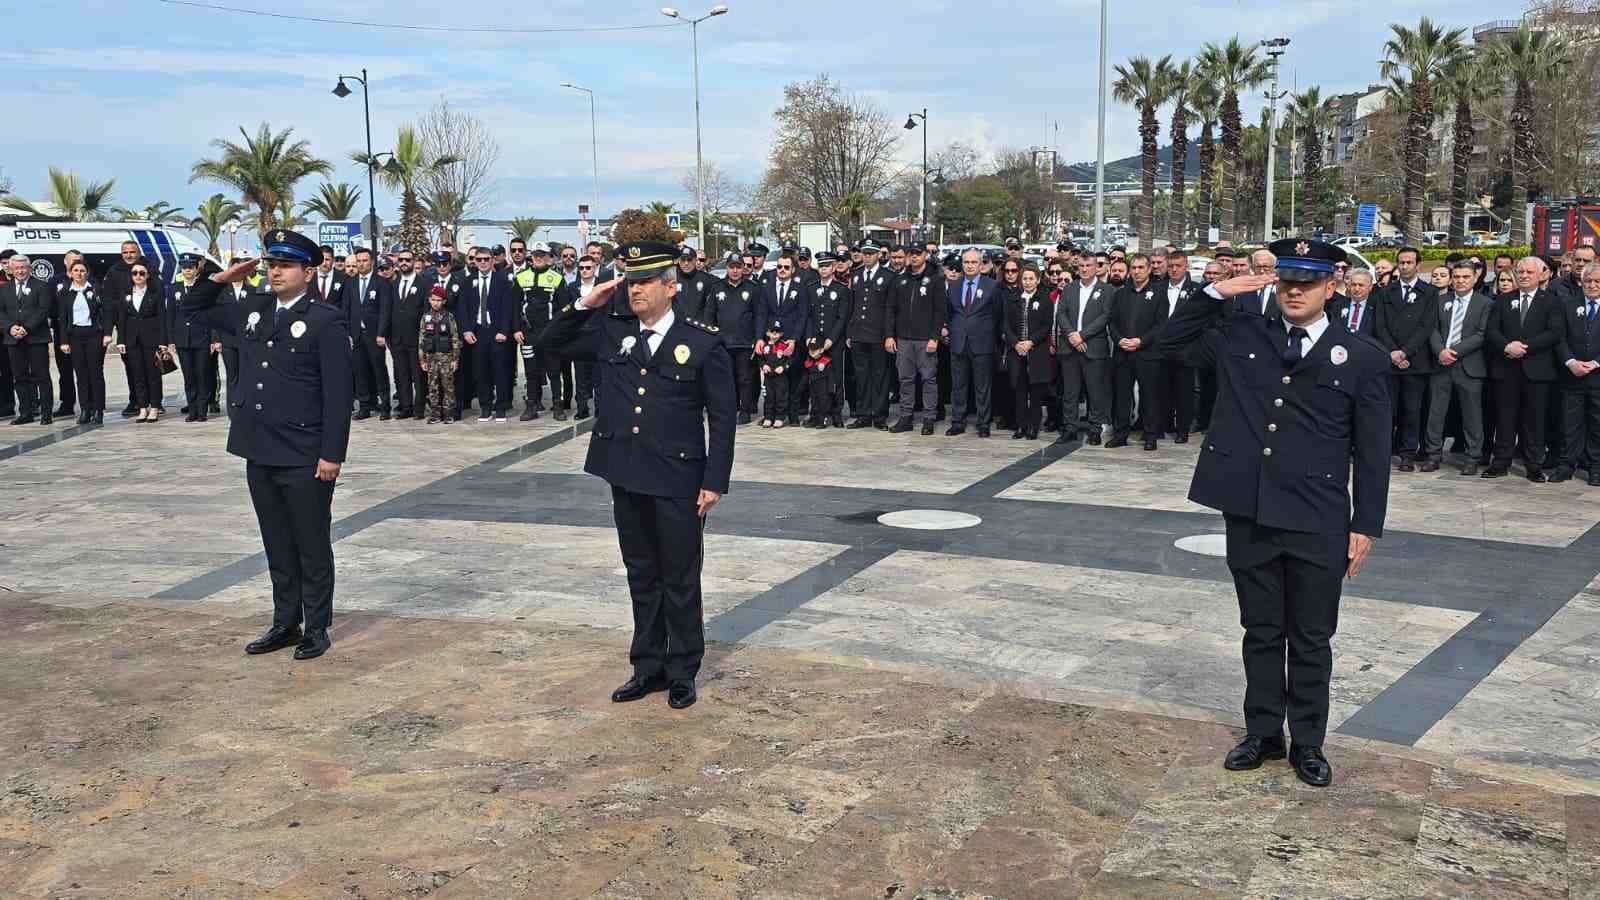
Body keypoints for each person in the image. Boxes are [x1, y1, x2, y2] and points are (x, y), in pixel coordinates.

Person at [1161, 238, 1391, 788]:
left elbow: (1374, 451)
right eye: (1286, 279)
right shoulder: (1243, 336)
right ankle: (1263, 732)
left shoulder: (1361, 357)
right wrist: (1214, 291)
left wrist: (1365, 526)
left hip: (1318, 516)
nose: (1294, 291)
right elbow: (1167, 343)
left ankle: (1308, 742)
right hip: (1253, 510)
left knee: (1310, 636)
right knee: (1261, 629)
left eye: (1307, 282)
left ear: (1331, 288)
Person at [537, 240, 735, 710]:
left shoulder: (701, 341)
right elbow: (549, 344)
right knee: (641, 573)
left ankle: (683, 668)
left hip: (677, 478)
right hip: (625, 472)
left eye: (644, 282)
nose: (634, 290)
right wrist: (587, 301)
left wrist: (714, 481)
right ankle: (648, 665)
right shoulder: (613, 331)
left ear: (671, 286)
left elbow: (723, 418)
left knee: (680, 577)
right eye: (630, 281)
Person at [181, 231, 353, 661]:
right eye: (271, 264)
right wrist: (221, 278)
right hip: (259, 448)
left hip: (304, 451)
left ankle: (317, 626)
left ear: (308, 273)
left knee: (310, 542)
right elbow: (191, 307)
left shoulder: (325, 320)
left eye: (286, 265)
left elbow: (337, 395)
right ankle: (285, 622)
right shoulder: (254, 309)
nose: (275, 271)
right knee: (276, 540)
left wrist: (332, 454)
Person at [1484, 256, 1562, 481]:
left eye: (1530, 272)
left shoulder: (1551, 301)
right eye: (1522, 272)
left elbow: (1554, 332)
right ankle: (1500, 462)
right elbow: (1492, 331)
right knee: (1505, 418)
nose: (1525, 276)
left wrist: (1524, 347)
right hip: (1506, 368)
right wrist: (1507, 346)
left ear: (1541, 274)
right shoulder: (1502, 300)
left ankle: (1533, 465)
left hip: (1537, 370)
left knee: (1534, 421)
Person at [1420, 262, 1492, 475]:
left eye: (1465, 277)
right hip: (1441, 364)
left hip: (1468, 365)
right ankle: (1432, 454)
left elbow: (1481, 334)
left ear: (1475, 278)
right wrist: (1441, 350)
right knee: (1435, 412)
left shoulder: (1485, 303)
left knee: (1472, 414)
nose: (1461, 280)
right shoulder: (1440, 301)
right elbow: (1431, 328)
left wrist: (1455, 352)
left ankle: (1472, 457)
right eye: (1457, 276)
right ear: (1451, 279)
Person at [1377, 247, 1440, 471]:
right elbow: (1380, 325)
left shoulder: (1429, 292)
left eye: (1409, 262)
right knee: (1388, 410)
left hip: (1416, 360)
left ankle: (1407, 454)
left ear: (1418, 266)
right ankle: (1383, 450)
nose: (1404, 266)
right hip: (1390, 360)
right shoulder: (1386, 292)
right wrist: (1393, 352)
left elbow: (1426, 326)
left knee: (1412, 411)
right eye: (1401, 262)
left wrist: (1405, 352)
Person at [886, 245, 947, 435]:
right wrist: (889, 335)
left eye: (918, 254)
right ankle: (906, 417)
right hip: (904, 338)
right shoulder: (900, 279)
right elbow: (891, 309)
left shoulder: (935, 279)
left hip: (925, 339)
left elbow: (940, 311)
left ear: (925, 255)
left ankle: (929, 417)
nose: (914, 257)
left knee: (928, 379)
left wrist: (934, 337)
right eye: (911, 254)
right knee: (905, 379)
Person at [1053, 250, 1112, 444]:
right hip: (1069, 347)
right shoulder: (1069, 288)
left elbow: (1105, 317)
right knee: (1070, 391)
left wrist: (1082, 335)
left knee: (1095, 391)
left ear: (1096, 267)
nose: (1085, 269)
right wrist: (1072, 335)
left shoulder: (1107, 290)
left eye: (1089, 266)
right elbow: (1060, 313)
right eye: (1082, 266)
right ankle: (1070, 428)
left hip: (1093, 347)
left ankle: (1095, 428)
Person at [945, 248, 999, 437]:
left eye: (973, 262)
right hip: (959, 342)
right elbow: (950, 313)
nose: (969, 266)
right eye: (966, 262)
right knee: (958, 385)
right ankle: (957, 422)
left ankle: (983, 423)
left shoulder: (992, 286)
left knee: (982, 386)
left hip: (982, 343)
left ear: (980, 264)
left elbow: (997, 315)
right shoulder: (953, 285)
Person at [463, 246, 517, 422]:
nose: (483, 262)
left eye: (487, 259)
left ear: (492, 260)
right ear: (475, 262)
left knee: (500, 370)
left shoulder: (502, 280)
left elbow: (508, 308)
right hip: (477, 331)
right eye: (479, 260)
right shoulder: (468, 281)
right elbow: (463, 308)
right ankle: (485, 407)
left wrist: (503, 331)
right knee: (481, 371)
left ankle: (500, 407)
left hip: (497, 332)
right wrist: (466, 329)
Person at [1107, 253, 1156, 448]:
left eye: (1141, 268)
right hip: (1123, 352)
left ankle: (1150, 436)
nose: (1136, 271)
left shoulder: (1158, 293)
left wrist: (1140, 341)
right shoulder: (1120, 294)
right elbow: (1112, 322)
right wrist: (1119, 340)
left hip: (1147, 353)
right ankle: (1120, 435)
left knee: (1149, 396)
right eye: (1134, 268)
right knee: (1122, 396)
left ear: (1149, 269)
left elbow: (1161, 325)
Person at [2, 254, 57, 425]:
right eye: (16, 268)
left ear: (29, 269)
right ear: (11, 269)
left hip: (36, 338)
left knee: (41, 376)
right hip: (13, 339)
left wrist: (26, 328)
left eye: (23, 267)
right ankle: (25, 412)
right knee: (19, 377)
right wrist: (10, 327)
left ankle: (46, 412)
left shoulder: (41, 286)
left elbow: (43, 310)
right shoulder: (4, 289)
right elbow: (1, 312)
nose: (20, 271)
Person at [54, 258, 110, 424]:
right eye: (76, 271)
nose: (79, 274)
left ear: (87, 273)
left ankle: (98, 410)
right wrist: (64, 341)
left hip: (94, 334)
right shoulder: (65, 292)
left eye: (82, 270)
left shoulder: (96, 289)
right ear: (70, 273)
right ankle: (85, 409)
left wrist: (107, 334)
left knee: (96, 373)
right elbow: (62, 319)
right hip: (75, 336)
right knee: (81, 374)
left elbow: (106, 313)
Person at [755, 253, 808, 426]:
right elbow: (761, 314)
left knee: (792, 378)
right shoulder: (767, 287)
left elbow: (802, 316)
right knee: (770, 379)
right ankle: (770, 414)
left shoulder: (800, 288)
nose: (782, 270)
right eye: (779, 267)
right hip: (771, 339)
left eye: (786, 267)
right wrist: (759, 338)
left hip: (790, 339)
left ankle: (791, 414)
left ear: (793, 269)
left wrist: (794, 339)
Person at [846, 240, 894, 429]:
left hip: (878, 334)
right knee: (861, 376)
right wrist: (850, 332)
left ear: (878, 256)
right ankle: (864, 413)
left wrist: (889, 335)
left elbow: (890, 309)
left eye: (871, 254)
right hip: (859, 333)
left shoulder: (888, 276)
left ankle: (880, 415)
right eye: (865, 253)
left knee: (880, 376)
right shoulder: (856, 275)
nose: (867, 257)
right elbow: (853, 306)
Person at [113, 257, 168, 423]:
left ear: (147, 275)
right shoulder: (126, 294)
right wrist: (121, 340)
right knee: (137, 375)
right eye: (134, 273)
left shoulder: (155, 294)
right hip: (132, 340)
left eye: (141, 273)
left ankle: (155, 407)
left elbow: (162, 318)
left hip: (151, 339)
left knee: (153, 375)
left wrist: (163, 341)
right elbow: (121, 318)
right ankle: (143, 407)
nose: (138, 276)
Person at [343, 247, 395, 421]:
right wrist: (348, 333)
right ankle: (364, 406)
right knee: (360, 371)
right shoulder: (350, 283)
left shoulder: (381, 282)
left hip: (375, 336)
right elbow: (346, 309)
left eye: (365, 260)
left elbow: (385, 310)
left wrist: (382, 333)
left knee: (379, 370)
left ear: (371, 262)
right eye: (359, 261)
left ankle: (385, 406)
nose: (361, 264)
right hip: (356, 335)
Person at [1003, 264, 1053, 440]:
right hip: (1017, 351)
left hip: (1036, 351)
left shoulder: (1045, 299)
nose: (1028, 282)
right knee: (1020, 392)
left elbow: (1046, 326)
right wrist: (1016, 343)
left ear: (1038, 280)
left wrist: (1031, 342)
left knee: (1036, 393)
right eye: (1025, 278)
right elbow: (1006, 325)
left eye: (1031, 278)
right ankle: (1021, 426)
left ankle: (1033, 427)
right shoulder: (1012, 299)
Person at [801, 251, 850, 428]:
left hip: (833, 340)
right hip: (815, 339)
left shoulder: (841, 289)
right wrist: (808, 337)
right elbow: (807, 316)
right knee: (815, 378)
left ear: (834, 267)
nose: (823, 269)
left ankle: (836, 413)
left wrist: (832, 339)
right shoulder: (811, 288)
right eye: (821, 266)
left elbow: (841, 318)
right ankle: (816, 413)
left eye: (827, 266)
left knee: (835, 378)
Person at [166, 255, 215, 422]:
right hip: (182, 339)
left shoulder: (204, 288)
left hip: (201, 337)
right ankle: (192, 410)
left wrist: (213, 338)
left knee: (202, 374)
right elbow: (170, 315)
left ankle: (202, 410)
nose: (188, 270)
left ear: (197, 269)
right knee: (189, 376)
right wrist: (171, 339)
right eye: (185, 266)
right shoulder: (174, 288)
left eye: (191, 267)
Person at [389, 250, 427, 419]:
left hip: (416, 338)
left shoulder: (424, 284)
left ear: (413, 262)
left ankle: (419, 409)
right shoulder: (393, 284)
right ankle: (406, 407)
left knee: (418, 375)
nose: (404, 262)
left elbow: (426, 312)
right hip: (397, 338)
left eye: (408, 260)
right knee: (401, 374)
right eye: (401, 260)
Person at [419, 285, 462, 424]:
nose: (435, 302)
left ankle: (449, 413)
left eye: (438, 300)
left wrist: (455, 359)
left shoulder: (449, 317)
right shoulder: (426, 318)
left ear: (443, 301)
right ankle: (435, 414)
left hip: (446, 357)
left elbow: (455, 338)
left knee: (448, 386)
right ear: (429, 300)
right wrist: (422, 359)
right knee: (433, 386)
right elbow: (422, 339)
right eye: (433, 299)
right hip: (431, 358)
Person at [47, 249, 82, 420]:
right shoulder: (55, 281)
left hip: (83, 332)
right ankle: (67, 404)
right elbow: (49, 305)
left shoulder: (87, 279)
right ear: (65, 262)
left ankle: (89, 403)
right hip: (62, 332)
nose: (76, 263)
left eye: (79, 260)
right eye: (73, 260)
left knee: (86, 370)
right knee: (65, 371)